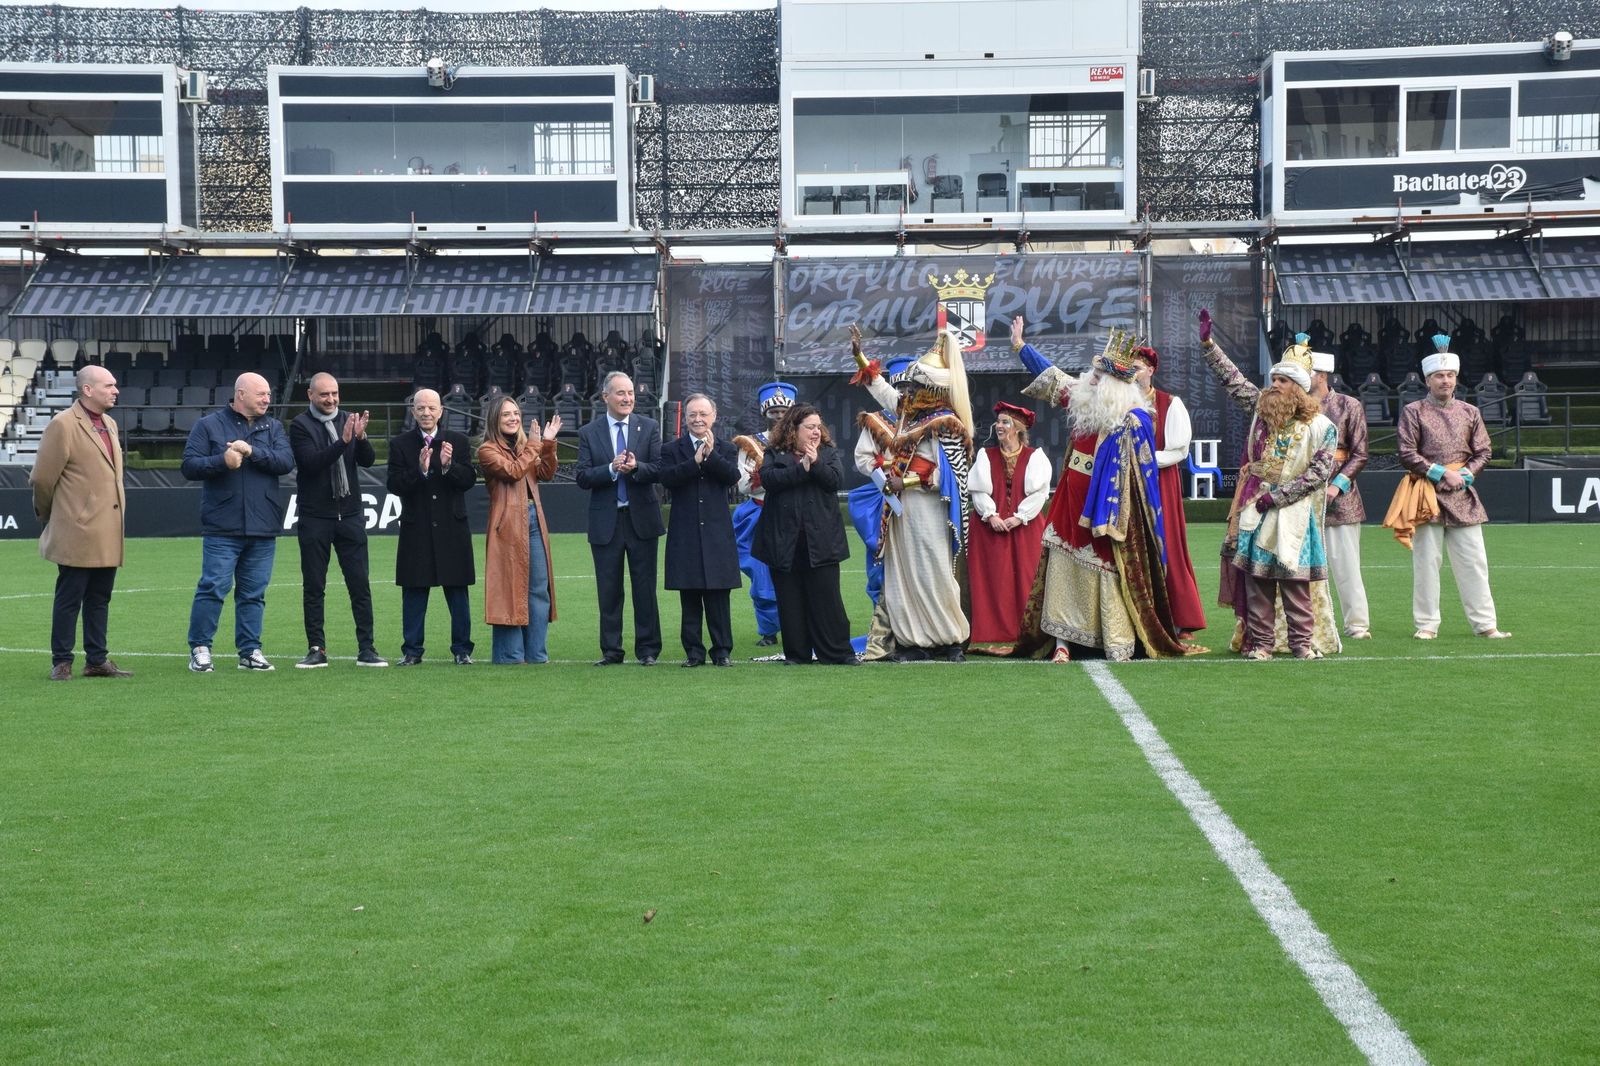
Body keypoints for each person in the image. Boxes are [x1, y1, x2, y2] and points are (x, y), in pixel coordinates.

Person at [1012, 318, 1188, 662]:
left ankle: (1113, 639)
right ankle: (1062, 644)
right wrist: (1021, 347)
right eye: (1092, 374)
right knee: (1063, 566)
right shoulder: (1083, 402)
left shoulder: (1136, 419)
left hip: (1108, 510)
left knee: (1106, 570)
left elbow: (1140, 472)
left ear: (1115, 387)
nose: (1088, 381)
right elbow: (1052, 376)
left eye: (1097, 377)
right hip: (1068, 500)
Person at [1198, 317, 1340, 660]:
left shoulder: (1323, 426)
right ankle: (1261, 644)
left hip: (1294, 511)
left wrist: (1276, 498)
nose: (1274, 385)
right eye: (1273, 379)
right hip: (1255, 507)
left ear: (1299, 387)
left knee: (1295, 582)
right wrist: (1209, 347)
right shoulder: (1261, 411)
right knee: (1257, 581)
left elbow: (1319, 474)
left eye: (1282, 380)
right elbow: (1233, 381)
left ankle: (1302, 645)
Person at [850, 325, 974, 662]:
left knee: (933, 571)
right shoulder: (908, 413)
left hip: (929, 509)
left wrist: (905, 483)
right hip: (899, 511)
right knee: (902, 574)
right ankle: (912, 641)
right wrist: (860, 355)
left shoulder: (945, 421)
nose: (909, 391)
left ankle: (949, 639)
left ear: (932, 389)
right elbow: (880, 389)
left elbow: (949, 474)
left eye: (916, 385)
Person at [1385, 336, 1509, 641]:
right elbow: (1406, 452)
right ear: (1428, 380)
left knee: (1474, 561)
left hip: (1463, 493)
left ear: (1456, 378)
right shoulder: (1413, 411)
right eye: (1439, 376)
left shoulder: (1470, 412)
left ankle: (1485, 624)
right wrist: (1441, 472)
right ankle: (1427, 624)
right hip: (1426, 494)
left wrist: (1465, 475)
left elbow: (1484, 451)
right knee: (1427, 562)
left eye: (1451, 375)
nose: (1446, 381)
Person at [182, 372, 295, 672]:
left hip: (263, 525)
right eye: (262, 394)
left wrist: (252, 451)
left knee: (253, 592)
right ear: (241, 394)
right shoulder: (208, 426)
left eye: (269, 394)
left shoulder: (273, 426)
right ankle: (200, 648)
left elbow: (286, 462)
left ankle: (250, 651)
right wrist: (222, 461)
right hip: (223, 525)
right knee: (213, 587)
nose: (267, 399)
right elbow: (189, 465)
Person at [31, 365, 132, 680]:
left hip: (107, 529)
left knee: (100, 597)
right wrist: (53, 516)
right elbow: (42, 479)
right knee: (69, 597)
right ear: (88, 389)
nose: (115, 390)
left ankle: (96, 660)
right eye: (109, 385)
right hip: (76, 529)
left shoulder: (110, 424)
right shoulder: (63, 425)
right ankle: (62, 661)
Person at [288, 372, 385, 668]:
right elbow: (311, 464)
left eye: (335, 394)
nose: (330, 399)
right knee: (314, 586)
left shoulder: (349, 419)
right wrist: (343, 442)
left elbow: (367, 461)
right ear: (310, 395)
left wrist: (360, 438)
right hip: (315, 517)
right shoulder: (300, 425)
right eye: (324, 395)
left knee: (360, 584)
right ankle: (317, 649)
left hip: (351, 516)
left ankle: (367, 648)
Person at [753, 404, 857, 665]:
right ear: (793, 429)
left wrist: (816, 462)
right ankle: (796, 655)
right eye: (809, 427)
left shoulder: (828, 453)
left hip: (820, 539)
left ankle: (837, 653)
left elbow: (835, 481)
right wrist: (802, 468)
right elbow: (770, 481)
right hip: (784, 539)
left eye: (818, 427)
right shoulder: (774, 453)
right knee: (790, 600)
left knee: (828, 599)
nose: (816, 432)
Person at [575, 371, 664, 666]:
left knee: (645, 588)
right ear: (605, 397)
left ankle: (648, 650)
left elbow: (659, 469)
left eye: (630, 393)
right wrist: (611, 470)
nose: (627, 399)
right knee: (609, 589)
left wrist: (637, 467)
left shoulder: (648, 426)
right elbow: (583, 477)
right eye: (621, 393)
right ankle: (611, 650)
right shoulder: (589, 432)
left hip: (642, 520)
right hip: (606, 523)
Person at [387, 388, 477, 665]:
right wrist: (420, 470)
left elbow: (469, 480)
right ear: (413, 411)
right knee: (414, 592)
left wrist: (448, 467)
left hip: (452, 529)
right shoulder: (400, 444)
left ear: (441, 411)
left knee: (457, 591)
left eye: (431, 408)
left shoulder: (458, 441)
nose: (426, 413)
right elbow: (394, 484)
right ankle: (412, 651)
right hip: (417, 530)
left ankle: (462, 650)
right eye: (421, 408)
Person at [1130, 345, 1208, 646]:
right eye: (1130, 368)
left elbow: (1178, 450)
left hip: (1160, 480)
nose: (1134, 373)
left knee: (1169, 543)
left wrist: (1146, 460)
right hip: (1126, 482)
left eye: (1138, 367)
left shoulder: (1170, 403)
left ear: (1151, 370)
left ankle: (1181, 618)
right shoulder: (1118, 405)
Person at [658, 393, 742, 667]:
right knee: (690, 595)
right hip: (685, 533)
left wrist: (710, 455)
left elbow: (732, 477)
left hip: (717, 533)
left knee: (719, 596)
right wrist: (694, 461)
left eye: (703, 414)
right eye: (693, 414)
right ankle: (694, 653)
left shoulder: (727, 448)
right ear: (685, 419)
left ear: (713, 417)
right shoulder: (672, 449)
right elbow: (668, 480)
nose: (698, 419)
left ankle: (722, 651)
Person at [478, 396, 561, 665]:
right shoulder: (487, 450)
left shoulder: (528, 446)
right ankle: (511, 656)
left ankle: (536, 654)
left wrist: (547, 444)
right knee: (509, 589)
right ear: (495, 420)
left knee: (538, 590)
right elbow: (514, 471)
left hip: (534, 519)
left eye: (516, 413)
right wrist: (536, 445)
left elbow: (546, 473)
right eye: (506, 415)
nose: (513, 418)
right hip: (507, 525)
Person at [965, 400, 1051, 650]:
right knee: (992, 579)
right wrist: (991, 515)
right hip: (990, 527)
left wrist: (1021, 516)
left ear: (1018, 429)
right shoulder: (985, 455)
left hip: (1025, 527)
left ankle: (1027, 632)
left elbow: (1039, 493)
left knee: (1027, 575)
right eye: (999, 421)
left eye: (1005, 422)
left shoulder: (1035, 457)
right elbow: (978, 491)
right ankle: (991, 632)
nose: (999, 426)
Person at [1308, 349, 1372, 639]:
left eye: (1306, 373)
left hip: (1341, 496)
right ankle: (1305, 624)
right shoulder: (1294, 406)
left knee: (1346, 564)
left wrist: (1337, 485)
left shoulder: (1349, 405)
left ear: (1321, 375)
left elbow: (1360, 454)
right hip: (1302, 493)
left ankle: (1356, 623)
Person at [731, 381, 796, 648]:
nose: (779, 416)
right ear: (764, 412)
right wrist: (765, 478)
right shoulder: (750, 444)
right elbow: (743, 484)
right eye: (774, 412)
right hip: (759, 515)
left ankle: (798, 625)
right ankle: (769, 630)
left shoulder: (802, 440)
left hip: (793, 516)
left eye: (784, 412)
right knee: (761, 576)